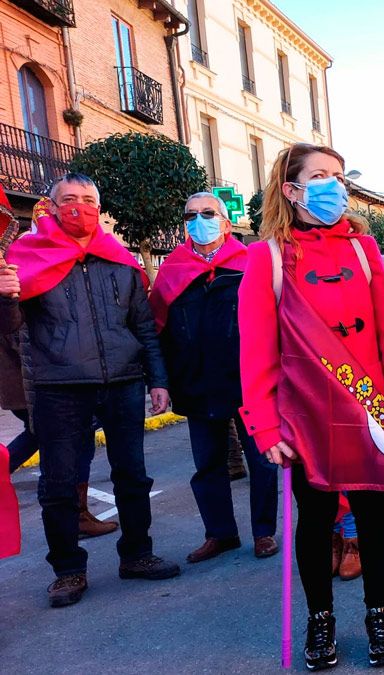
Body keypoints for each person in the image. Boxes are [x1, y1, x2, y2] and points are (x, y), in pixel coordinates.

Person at [240, 143, 384, 669]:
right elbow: (255, 351)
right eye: (320, 176)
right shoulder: (266, 257)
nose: (335, 186)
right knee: (314, 520)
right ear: (291, 190)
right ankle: (321, 619)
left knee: (373, 513)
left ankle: (378, 613)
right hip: (305, 415)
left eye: (338, 176)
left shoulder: (364, 251)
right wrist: (266, 428)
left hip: (366, 408)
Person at [6, 173, 180, 608]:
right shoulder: (24, 260)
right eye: (68, 199)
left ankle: (137, 555)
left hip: (122, 382)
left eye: (86, 199)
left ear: (98, 209)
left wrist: (157, 379)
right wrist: (3, 299)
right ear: (51, 206)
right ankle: (68, 571)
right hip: (57, 387)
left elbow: (143, 327)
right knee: (59, 485)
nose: (78, 207)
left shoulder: (120, 260)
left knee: (133, 477)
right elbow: (9, 332)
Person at [149, 192, 278, 564]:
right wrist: (162, 381)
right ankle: (220, 534)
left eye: (207, 213)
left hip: (249, 383)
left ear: (225, 222)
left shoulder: (249, 263)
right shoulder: (172, 270)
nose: (198, 220)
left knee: (262, 461)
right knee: (207, 465)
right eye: (191, 215)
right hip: (196, 383)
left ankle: (263, 532)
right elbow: (159, 329)